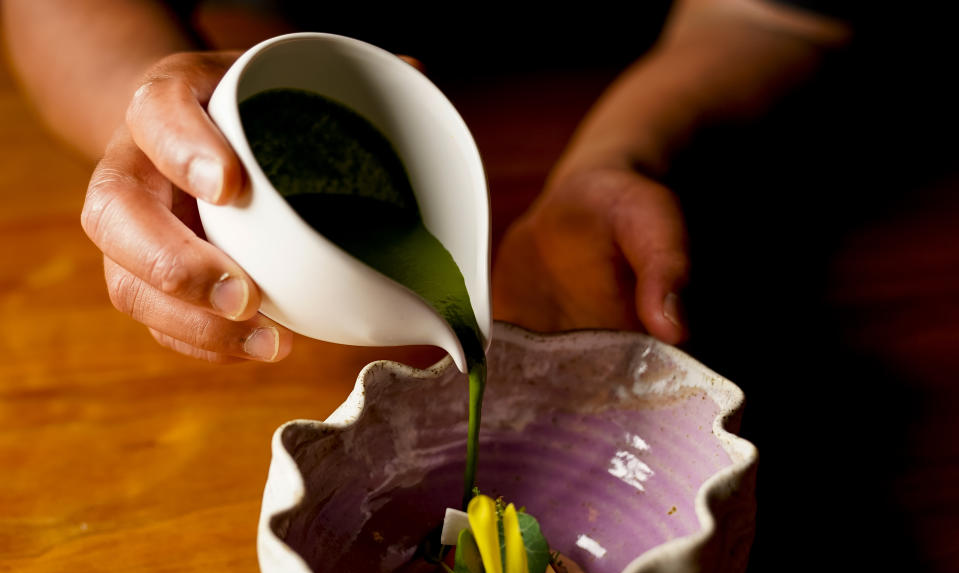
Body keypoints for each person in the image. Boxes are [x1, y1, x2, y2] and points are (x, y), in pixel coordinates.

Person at [1, 0, 850, 363]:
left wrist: (620, 158)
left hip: (616, 82)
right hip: (268, 62)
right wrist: (155, 118)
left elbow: (765, 15)